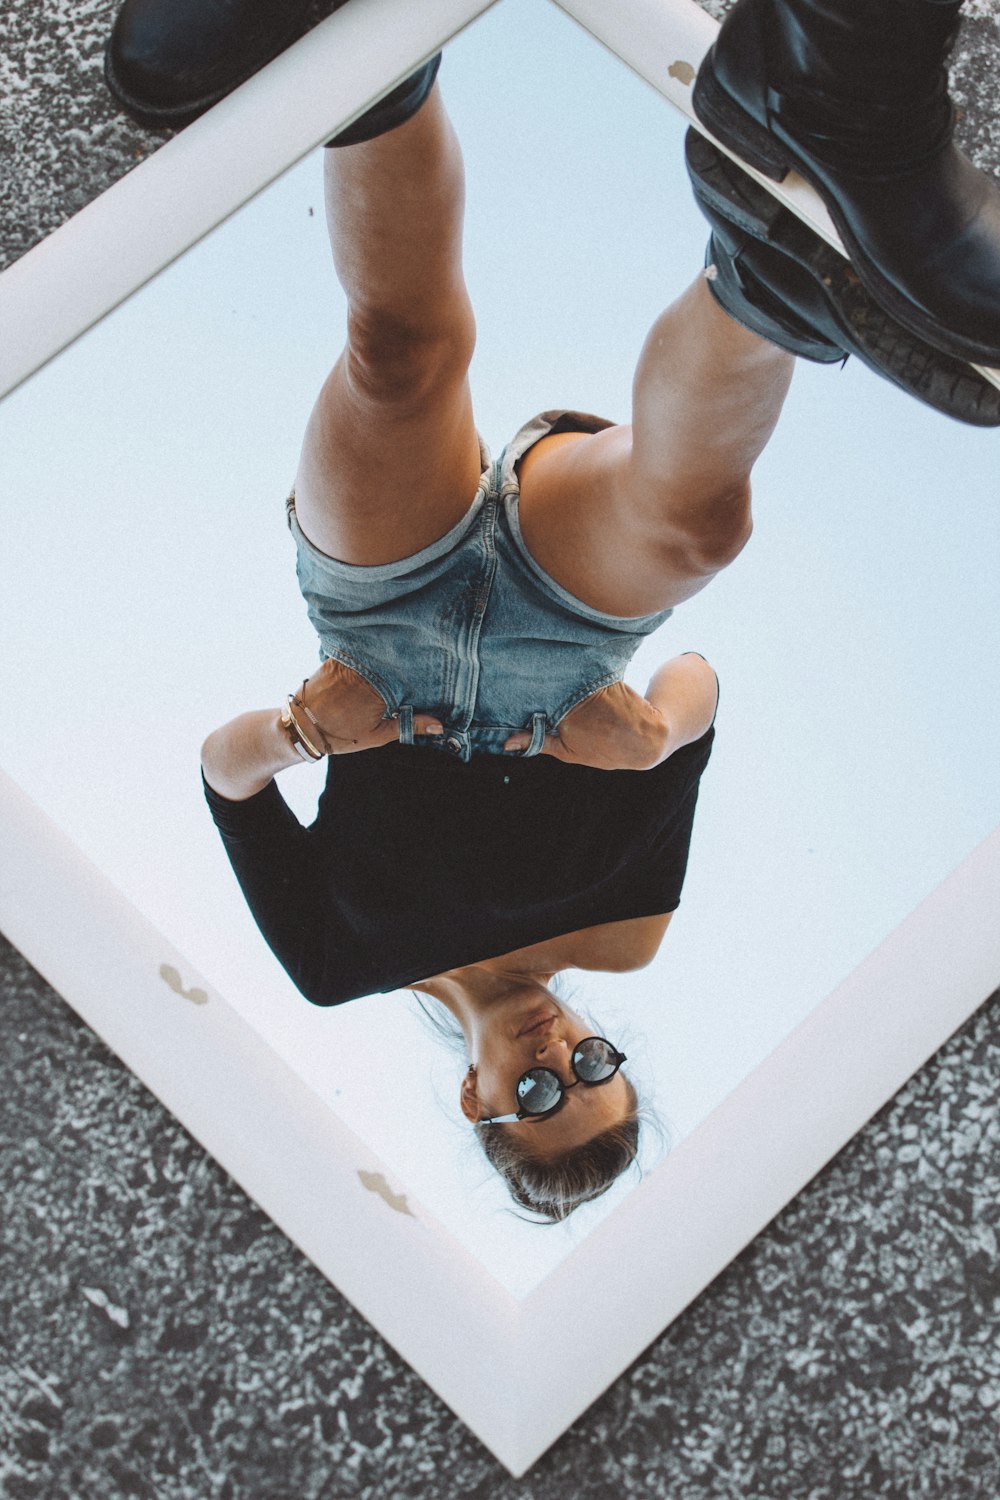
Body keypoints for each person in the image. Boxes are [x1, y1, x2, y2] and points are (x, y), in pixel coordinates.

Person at [199, 7, 1000, 1221]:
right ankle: (775, 263)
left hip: (381, 638)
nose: (555, 1054)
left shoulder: (337, 964)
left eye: (532, 1093)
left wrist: (303, 736)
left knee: (399, 353)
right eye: (593, 1072)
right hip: (564, 647)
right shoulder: (629, 934)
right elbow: (701, 696)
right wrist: (652, 736)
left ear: (474, 1101)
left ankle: (367, 58)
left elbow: (225, 775)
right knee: (701, 531)